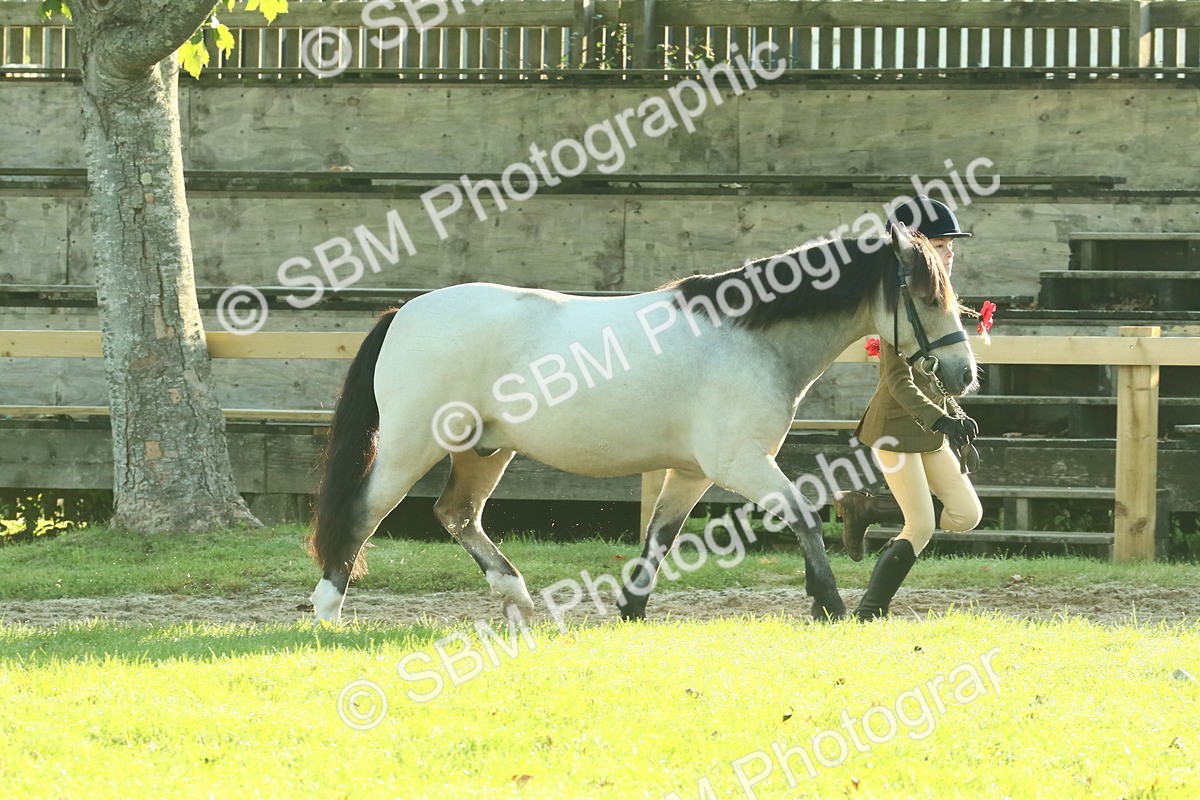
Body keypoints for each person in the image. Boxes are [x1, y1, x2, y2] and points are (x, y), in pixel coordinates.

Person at [835, 195, 983, 620]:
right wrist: (941, 417)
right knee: (920, 527)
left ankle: (867, 507)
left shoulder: (937, 298)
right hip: (894, 428)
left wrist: (952, 413)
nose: (949, 251)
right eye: (939, 245)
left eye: (950, 245)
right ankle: (870, 611)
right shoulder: (901, 305)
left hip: (931, 427)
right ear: (914, 253)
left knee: (967, 514)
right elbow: (898, 381)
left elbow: (935, 371)